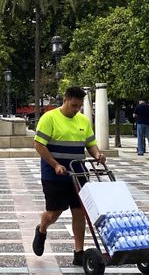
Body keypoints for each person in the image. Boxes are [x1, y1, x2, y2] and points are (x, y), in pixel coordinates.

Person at [32, 86, 106, 267]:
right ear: (65, 100)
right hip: (54, 174)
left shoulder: (83, 120)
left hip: (78, 172)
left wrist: (97, 155)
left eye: (79, 106)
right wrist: (55, 164)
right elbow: (39, 145)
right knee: (54, 213)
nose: (76, 110)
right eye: (74, 105)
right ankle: (42, 229)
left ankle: (78, 252)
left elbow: (90, 143)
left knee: (79, 211)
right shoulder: (49, 118)